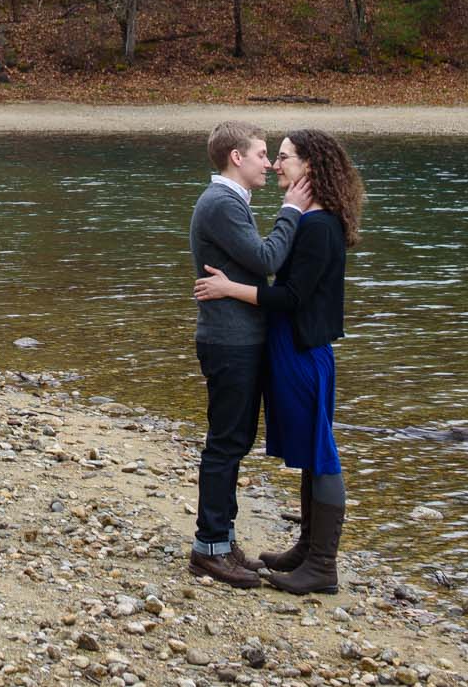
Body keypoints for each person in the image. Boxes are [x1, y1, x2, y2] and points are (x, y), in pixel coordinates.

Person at [193, 128, 364, 596]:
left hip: (303, 350)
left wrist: (230, 289)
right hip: (292, 347)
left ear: (309, 167)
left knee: (320, 452)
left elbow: (289, 294)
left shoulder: (317, 224)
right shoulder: (304, 220)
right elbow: (279, 275)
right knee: (309, 451)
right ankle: (305, 551)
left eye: (283, 156)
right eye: (269, 155)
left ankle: (320, 563)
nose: (274, 164)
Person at [186, 120, 310, 589]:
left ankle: (224, 540)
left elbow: (254, 265)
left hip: (237, 337)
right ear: (236, 157)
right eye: (262, 153)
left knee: (234, 441)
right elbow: (266, 260)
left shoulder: (229, 201)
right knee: (226, 443)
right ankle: (208, 548)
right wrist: (291, 210)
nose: (270, 162)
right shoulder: (221, 202)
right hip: (229, 341)